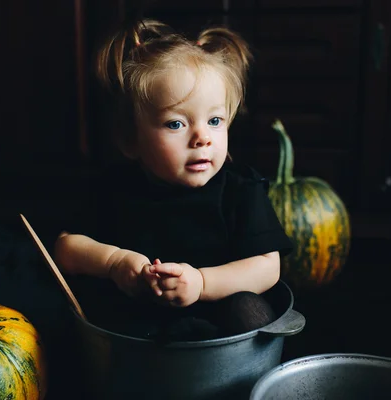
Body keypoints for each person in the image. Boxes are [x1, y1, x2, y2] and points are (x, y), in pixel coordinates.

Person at [54, 19, 292, 341]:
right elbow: (66, 248)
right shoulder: (117, 188)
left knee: (249, 308)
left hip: (219, 320)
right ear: (130, 139)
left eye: (215, 120)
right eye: (176, 124)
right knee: (97, 306)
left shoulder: (240, 189)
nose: (202, 138)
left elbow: (267, 267)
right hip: (142, 325)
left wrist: (202, 284)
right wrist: (114, 263)